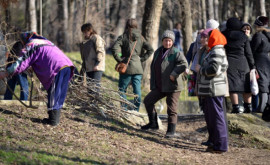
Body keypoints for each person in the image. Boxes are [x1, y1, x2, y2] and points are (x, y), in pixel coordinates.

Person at [0, 32, 74, 126]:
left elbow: (21, 63)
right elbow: (43, 57)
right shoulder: (46, 42)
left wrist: (6, 73)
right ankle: (54, 119)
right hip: (67, 66)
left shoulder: (32, 44)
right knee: (59, 94)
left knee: (54, 94)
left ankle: (53, 121)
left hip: (56, 68)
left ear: (24, 40)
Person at [141, 30, 188, 138]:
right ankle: (153, 124)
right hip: (160, 85)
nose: (168, 43)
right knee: (148, 100)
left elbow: (183, 64)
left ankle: (171, 131)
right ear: (162, 41)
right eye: (166, 40)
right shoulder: (158, 52)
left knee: (171, 108)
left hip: (173, 86)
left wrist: (174, 73)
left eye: (170, 41)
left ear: (173, 42)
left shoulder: (176, 52)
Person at [195, 29, 228, 153]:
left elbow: (214, 69)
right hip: (210, 89)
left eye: (209, 37)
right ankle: (214, 143)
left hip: (214, 89)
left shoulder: (217, 50)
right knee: (212, 118)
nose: (207, 39)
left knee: (217, 117)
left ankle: (221, 146)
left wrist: (201, 70)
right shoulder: (213, 50)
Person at [112, 18, 154, 111]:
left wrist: (120, 59)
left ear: (126, 26)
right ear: (136, 26)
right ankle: (136, 110)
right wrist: (142, 59)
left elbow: (114, 49)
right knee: (137, 91)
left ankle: (124, 109)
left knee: (122, 90)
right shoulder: (141, 37)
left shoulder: (123, 37)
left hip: (126, 68)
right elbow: (150, 49)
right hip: (138, 68)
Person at [222, 17, 255, 113]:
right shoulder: (243, 36)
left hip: (230, 62)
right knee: (246, 86)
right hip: (243, 62)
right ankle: (248, 107)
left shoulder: (225, 35)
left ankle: (236, 107)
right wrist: (252, 65)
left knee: (233, 86)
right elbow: (248, 53)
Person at [250, 16, 270, 113]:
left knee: (262, 83)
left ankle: (261, 107)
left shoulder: (258, 35)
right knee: (266, 82)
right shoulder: (267, 35)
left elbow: (252, 49)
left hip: (259, 60)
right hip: (266, 59)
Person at [241, 23, 259, 112]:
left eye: (247, 29)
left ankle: (255, 107)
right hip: (244, 67)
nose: (246, 31)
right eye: (244, 29)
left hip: (254, 66)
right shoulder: (240, 40)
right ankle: (247, 106)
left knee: (254, 87)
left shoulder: (253, 40)